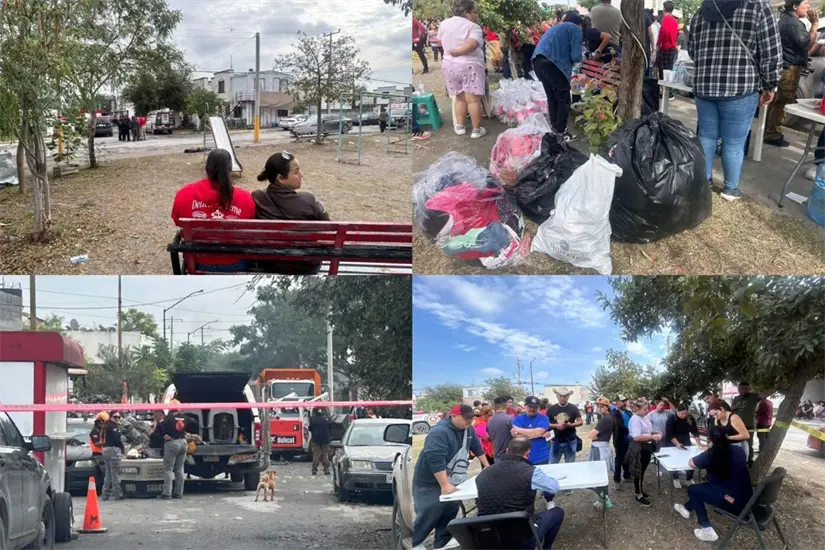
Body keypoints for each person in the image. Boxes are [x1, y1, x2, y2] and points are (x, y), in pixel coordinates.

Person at [687, 0, 781, 202]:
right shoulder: (758, 7)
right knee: (734, 143)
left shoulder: (702, 10)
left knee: (707, 137)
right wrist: (770, 85)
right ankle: (730, 190)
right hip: (740, 88)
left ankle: (704, 182)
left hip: (705, 87)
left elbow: (692, 51)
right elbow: (771, 52)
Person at [412, 404, 488, 550]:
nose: (469, 422)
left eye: (471, 418)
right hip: (430, 481)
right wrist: (444, 485)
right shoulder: (439, 432)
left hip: (452, 478)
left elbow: (476, 447)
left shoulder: (468, 429)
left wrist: (487, 466)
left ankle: (442, 542)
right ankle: (415, 542)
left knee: (449, 509)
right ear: (454, 416)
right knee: (429, 511)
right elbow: (435, 459)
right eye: (466, 419)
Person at [171, 149, 256, 272]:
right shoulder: (245, 197)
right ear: (230, 169)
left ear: (207, 169)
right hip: (234, 263)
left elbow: (177, 221)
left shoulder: (184, 193)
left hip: (196, 262)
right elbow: (249, 227)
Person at [475, 437, 565, 550]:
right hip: (522, 536)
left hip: (489, 536)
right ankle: (546, 547)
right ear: (527, 454)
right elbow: (554, 487)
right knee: (557, 512)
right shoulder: (531, 472)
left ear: (507, 451)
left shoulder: (483, 474)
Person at [252, 151, 330, 273]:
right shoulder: (308, 199)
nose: (301, 175)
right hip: (306, 265)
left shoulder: (257, 198)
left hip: (270, 263)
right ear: (280, 178)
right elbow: (329, 227)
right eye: (296, 172)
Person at [673, 427, 753, 542]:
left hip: (732, 502)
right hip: (746, 497)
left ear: (710, 439)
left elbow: (691, 464)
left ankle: (706, 529)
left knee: (693, 489)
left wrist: (708, 450)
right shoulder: (739, 451)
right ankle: (686, 508)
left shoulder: (711, 454)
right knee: (703, 488)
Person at [765, 0, 818, 147]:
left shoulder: (786, 21)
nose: (808, 7)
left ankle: (770, 131)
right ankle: (772, 134)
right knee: (782, 101)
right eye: (805, 3)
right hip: (789, 68)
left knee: (777, 101)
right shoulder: (793, 24)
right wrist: (814, 25)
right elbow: (807, 45)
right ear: (795, 6)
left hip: (784, 66)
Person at [438, 0, 487, 139]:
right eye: (474, 12)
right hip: (469, 65)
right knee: (473, 100)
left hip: (449, 65)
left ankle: (460, 127)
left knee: (459, 97)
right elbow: (471, 45)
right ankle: (476, 130)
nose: (476, 15)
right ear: (466, 13)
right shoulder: (473, 27)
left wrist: (451, 52)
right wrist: (458, 52)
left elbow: (440, 41)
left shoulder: (444, 23)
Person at [532, 11, 583, 142]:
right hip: (553, 64)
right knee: (564, 98)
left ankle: (555, 129)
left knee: (552, 97)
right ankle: (562, 133)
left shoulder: (555, 27)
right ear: (579, 23)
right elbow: (576, 56)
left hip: (538, 61)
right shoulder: (575, 28)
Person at [626, 398, 661, 507]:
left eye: (647, 408)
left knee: (642, 470)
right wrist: (652, 436)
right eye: (645, 409)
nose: (647, 411)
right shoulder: (635, 419)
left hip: (646, 447)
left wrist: (654, 433)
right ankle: (638, 494)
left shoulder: (643, 417)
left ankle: (640, 490)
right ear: (638, 409)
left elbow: (646, 431)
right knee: (639, 471)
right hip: (640, 448)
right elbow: (636, 437)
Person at [545, 387, 583, 472]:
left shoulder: (573, 408)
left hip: (570, 440)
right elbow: (545, 423)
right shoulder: (551, 409)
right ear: (557, 396)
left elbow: (580, 421)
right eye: (560, 396)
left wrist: (570, 425)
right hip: (555, 441)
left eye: (565, 396)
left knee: (570, 466)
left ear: (568, 396)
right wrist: (556, 425)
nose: (563, 398)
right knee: (552, 466)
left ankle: (570, 482)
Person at [665, 404, 702, 489]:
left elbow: (695, 431)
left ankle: (689, 479)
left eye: (686, 413)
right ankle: (676, 478)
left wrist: (699, 444)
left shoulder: (689, 418)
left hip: (685, 439)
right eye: (682, 413)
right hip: (672, 441)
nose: (684, 415)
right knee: (675, 460)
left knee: (690, 458)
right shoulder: (671, 419)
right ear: (677, 411)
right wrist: (677, 443)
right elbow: (669, 434)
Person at [587, 397, 614, 510]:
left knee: (598, 475)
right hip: (601, 448)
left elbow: (591, 435)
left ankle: (605, 500)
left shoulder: (605, 419)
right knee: (600, 475)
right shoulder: (605, 418)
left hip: (600, 449)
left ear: (607, 407)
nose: (599, 408)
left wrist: (595, 436)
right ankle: (603, 499)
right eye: (598, 406)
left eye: (602, 406)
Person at [158, 400, 188, 500]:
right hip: (183, 443)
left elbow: (159, 427)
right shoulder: (185, 417)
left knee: (168, 470)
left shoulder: (168, 418)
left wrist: (164, 435)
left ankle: (167, 493)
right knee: (179, 469)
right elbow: (195, 424)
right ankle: (178, 493)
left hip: (172, 443)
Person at [511, 396, 551, 465]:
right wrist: (539, 434)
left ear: (538, 407)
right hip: (523, 457)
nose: (532, 409)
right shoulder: (518, 419)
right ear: (525, 406)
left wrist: (519, 430)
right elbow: (518, 437)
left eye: (535, 407)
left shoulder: (543, 418)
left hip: (541, 457)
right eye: (530, 406)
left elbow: (538, 432)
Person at [731, 381, 762, 466]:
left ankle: (749, 461)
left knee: (748, 443)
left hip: (748, 425)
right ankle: (737, 459)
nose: (743, 390)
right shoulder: (736, 398)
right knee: (737, 443)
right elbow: (732, 408)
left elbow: (765, 394)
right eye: (741, 388)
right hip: (736, 424)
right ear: (738, 389)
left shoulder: (754, 396)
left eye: (746, 389)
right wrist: (734, 408)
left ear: (749, 389)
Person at [101, 411, 125, 501]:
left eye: (119, 417)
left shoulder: (105, 425)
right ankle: (118, 494)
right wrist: (122, 448)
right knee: (115, 473)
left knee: (108, 473)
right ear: (111, 417)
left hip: (105, 449)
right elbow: (117, 439)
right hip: (112, 450)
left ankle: (105, 494)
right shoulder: (113, 426)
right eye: (115, 417)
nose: (117, 419)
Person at [610, 395, 632, 486]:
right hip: (619, 439)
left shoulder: (628, 412)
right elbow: (619, 426)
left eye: (622, 401)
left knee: (628, 458)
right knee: (619, 459)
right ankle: (617, 480)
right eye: (619, 401)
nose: (620, 402)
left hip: (629, 439)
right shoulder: (614, 413)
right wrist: (632, 430)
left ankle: (626, 476)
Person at [656, 2, 679, 77]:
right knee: (669, 73)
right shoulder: (675, 21)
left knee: (662, 74)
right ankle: (667, 88)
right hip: (672, 49)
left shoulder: (665, 19)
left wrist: (659, 45)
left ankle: (662, 88)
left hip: (665, 49)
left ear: (664, 9)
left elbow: (664, 32)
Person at [309, 409, 331, 475]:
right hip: (325, 439)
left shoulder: (313, 420)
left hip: (315, 439)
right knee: (325, 454)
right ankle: (326, 469)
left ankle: (314, 470)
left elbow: (310, 428)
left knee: (316, 455)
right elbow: (330, 427)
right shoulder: (326, 419)